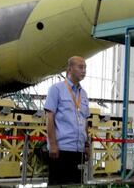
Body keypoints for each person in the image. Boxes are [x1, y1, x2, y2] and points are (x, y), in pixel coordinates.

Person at [44, 56, 90, 185]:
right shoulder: (56, 89)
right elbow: (50, 118)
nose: (84, 70)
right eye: (80, 67)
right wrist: (52, 144)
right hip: (61, 150)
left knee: (76, 185)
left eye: (85, 67)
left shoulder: (84, 94)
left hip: (78, 151)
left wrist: (86, 145)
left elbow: (85, 120)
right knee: (58, 184)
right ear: (69, 69)